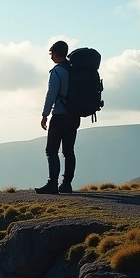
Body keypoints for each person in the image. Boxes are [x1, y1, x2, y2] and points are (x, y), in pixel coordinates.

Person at [35, 40, 80, 194]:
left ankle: (52, 184)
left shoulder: (57, 71)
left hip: (60, 115)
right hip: (74, 116)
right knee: (69, 151)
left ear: (54, 53)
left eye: (51, 53)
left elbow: (51, 94)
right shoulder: (74, 70)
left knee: (51, 150)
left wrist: (44, 114)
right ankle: (66, 184)